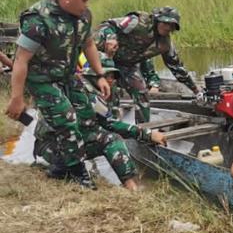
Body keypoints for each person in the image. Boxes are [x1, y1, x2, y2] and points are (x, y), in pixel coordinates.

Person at [5, 0, 111, 189]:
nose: (87, 4)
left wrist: (100, 75)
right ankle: (78, 173)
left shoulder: (83, 15)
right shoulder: (37, 19)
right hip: (42, 80)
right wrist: (17, 98)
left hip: (68, 76)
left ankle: (60, 166)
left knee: (87, 113)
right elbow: (20, 60)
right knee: (66, 119)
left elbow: (88, 44)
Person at [34, 54, 166, 191]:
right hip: (54, 147)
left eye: (114, 76)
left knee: (100, 134)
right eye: (108, 75)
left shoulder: (95, 89)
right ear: (95, 75)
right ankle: (131, 187)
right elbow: (111, 124)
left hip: (64, 145)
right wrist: (148, 134)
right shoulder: (82, 91)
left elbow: (107, 120)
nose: (112, 80)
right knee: (111, 138)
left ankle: (66, 169)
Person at [93, 6, 199, 123]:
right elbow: (108, 25)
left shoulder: (165, 44)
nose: (167, 27)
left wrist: (195, 90)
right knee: (110, 91)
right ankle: (106, 123)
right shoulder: (137, 22)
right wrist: (111, 38)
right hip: (105, 58)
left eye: (172, 26)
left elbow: (177, 68)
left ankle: (143, 130)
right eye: (165, 23)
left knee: (141, 92)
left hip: (127, 65)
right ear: (157, 20)